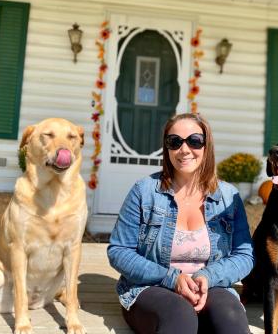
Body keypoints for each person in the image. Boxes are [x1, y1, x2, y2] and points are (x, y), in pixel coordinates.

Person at [107, 113, 254, 334]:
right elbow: (119, 250)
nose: (184, 150)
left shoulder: (228, 196)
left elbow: (244, 255)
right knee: (180, 314)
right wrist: (171, 278)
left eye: (194, 141)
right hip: (152, 288)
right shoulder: (144, 191)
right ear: (167, 149)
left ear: (207, 145)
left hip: (209, 288)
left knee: (231, 318)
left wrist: (208, 276)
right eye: (174, 142)